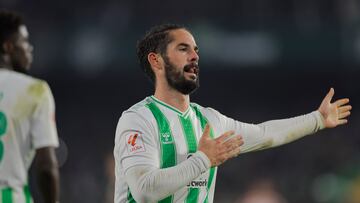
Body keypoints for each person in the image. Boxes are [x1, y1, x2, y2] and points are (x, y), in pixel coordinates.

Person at [113, 24, 352, 203]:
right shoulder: (138, 119)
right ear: (156, 60)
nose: (195, 56)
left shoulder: (209, 121)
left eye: (195, 50)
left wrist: (317, 119)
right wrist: (203, 159)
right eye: (183, 49)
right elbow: (144, 190)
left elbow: (265, 133)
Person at [0, 10, 60, 203]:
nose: (29, 49)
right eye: (24, 42)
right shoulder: (34, 90)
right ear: (8, 47)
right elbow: (46, 167)